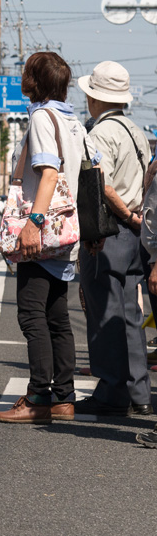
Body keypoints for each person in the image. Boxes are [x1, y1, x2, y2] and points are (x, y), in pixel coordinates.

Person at [0, 52, 95, 423]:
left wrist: (33, 223)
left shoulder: (41, 116)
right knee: (56, 316)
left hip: (45, 228)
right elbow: (89, 172)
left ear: (33, 80)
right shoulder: (74, 120)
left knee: (31, 313)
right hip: (68, 229)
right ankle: (64, 398)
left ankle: (38, 397)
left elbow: (49, 173)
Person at [74, 61, 153, 417]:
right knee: (130, 313)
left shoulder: (99, 133)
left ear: (93, 97)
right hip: (138, 232)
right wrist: (137, 219)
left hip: (111, 230)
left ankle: (111, 391)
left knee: (104, 313)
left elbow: (99, 183)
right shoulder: (135, 129)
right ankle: (139, 392)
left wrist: (122, 216)